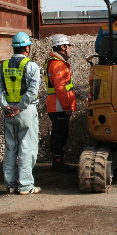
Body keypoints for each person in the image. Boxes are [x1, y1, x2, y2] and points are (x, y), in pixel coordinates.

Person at [0, 32, 41, 195]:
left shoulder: (2, 66)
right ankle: (25, 186)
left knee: (10, 148)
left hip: (8, 114)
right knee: (27, 147)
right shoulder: (32, 66)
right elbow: (33, 91)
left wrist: (6, 107)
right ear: (27, 48)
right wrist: (19, 107)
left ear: (14, 48)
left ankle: (10, 185)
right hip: (25, 111)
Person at [45, 34, 77, 173]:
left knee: (59, 134)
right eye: (68, 46)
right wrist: (66, 106)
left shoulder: (54, 62)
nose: (69, 49)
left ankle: (58, 161)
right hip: (59, 106)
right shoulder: (58, 64)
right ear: (63, 47)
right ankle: (58, 163)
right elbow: (60, 87)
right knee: (59, 135)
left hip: (56, 106)